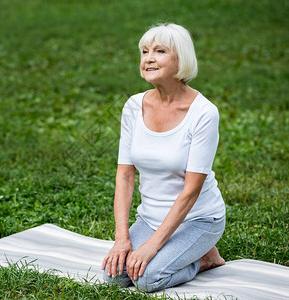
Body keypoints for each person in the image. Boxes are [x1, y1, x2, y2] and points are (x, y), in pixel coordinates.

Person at [101, 23, 226, 292]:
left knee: (147, 280)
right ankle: (184, 253)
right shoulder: (134, 106)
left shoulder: (203, 113)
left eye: (159, 51)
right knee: (114, 278)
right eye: (144, 51)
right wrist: (122, 238)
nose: (148, 58)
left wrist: (151, 247)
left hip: (198, 219)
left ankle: (205, 258)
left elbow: (191, 191)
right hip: (150, 217)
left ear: (181, 58)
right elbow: (124, 175)